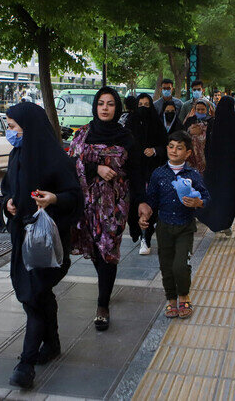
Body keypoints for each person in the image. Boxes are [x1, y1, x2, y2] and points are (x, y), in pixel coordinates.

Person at [0, 102, 83, 389]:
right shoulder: (16, 155)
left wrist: (53, 199)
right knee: (37, 295)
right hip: (20, 237)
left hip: (47, 242)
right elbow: (9, 188)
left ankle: (25, 364)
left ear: (29, 127)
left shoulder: (56, 159)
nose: (9, 132)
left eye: (13, 127)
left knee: (34, 297)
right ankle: (53, 341)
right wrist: (9, 201)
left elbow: (74, 196)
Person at [68, 87, 146, 332]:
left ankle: (102, 305)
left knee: (108, 249)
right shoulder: (82, 135)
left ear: (117, 108)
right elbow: (71, 163)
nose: (104, 108)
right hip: (86, 204)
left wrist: (142, 203)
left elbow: (137, 173)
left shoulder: (127, 138)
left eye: (110, 104)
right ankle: (105, 287)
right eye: (101, 103)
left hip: (114, 206)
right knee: (95, 248)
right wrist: (96, 169)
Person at [139, 130, 210, 319]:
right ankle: (171, 298)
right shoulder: (159, 173)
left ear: (188, 153)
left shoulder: (193, 174)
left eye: (179, 148)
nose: (174, 151)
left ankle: (184, 294)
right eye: (171, 147)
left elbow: (206, 197)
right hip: (163, 226)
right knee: (166, 265)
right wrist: (145, 214)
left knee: (180, 265)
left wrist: (198, 203)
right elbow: (151, 200)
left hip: (185, 226)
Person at [125, 93, 168, 255]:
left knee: (150, 204)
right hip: (134, 173)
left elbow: (165, 146)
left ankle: (146, 237)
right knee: (135, 204)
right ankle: (137, 231)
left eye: (146, 104)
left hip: (152, 172)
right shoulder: (130, 123)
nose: (143, 107)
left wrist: (155, 151)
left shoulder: (157, 124)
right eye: (140, 104)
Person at [198, 96, 235, 235]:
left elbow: (207, 146)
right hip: (231, 170)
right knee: (229, 197)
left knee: (213, 195)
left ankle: (214, 221)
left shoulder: (214, 124)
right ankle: (225, 223)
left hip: (214, 168)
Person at [183, 99, 212, 175]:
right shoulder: (189, 120)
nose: (200, 112)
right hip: (192, 154)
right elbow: (184, 133)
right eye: (198, 109)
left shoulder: (211, 121)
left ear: (207, 110)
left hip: (205, 154)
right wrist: (190, 132)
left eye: (203, 109)